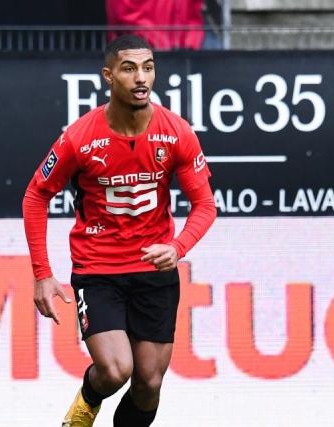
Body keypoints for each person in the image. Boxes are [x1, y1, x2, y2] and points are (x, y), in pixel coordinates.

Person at [22, 34, 216, 426]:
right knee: (115, 370)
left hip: (155, 273)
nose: (141, 77)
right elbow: (35, 196)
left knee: (149, 382)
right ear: (108, 76)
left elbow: (205, 206)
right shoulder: (79, 137)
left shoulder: (176, 132)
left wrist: (178, 248)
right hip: (99, 271)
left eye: (148, 67)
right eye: (129, 69)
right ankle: (83, 407)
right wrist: (43, 275)